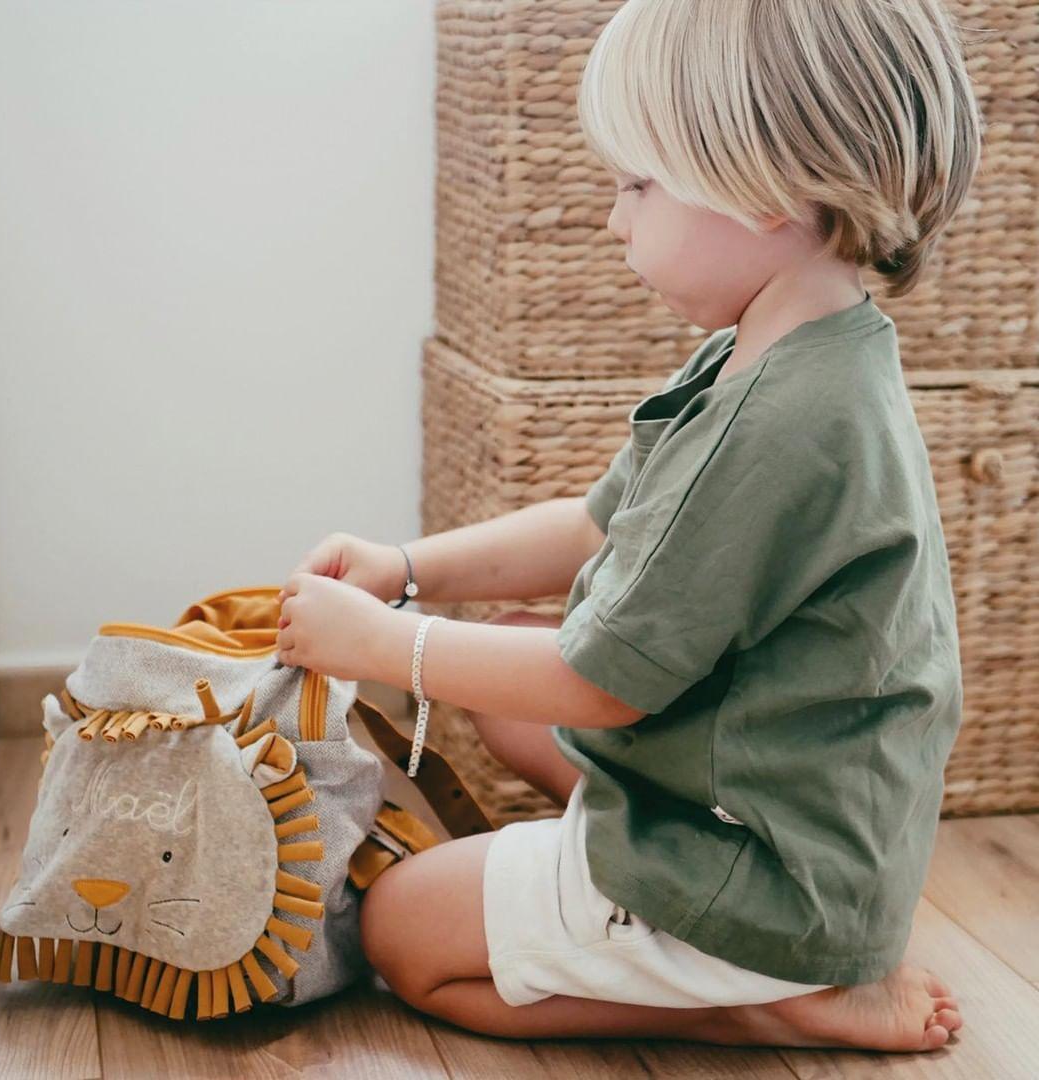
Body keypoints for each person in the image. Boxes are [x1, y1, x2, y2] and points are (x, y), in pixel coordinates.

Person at [275, 0, 980, 1052]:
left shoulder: (782, 424)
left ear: (774, 188)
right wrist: (408, 568)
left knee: (400, 932)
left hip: (768, 876)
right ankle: (708, 944)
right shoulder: (788, 348)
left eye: (637, 186)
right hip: (812, 826)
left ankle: (760, 998)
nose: (615, 220)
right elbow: (601, 525)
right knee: (510, 653)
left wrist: (385, 647)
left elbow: (599, 684)